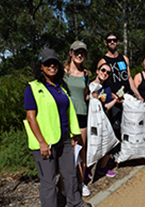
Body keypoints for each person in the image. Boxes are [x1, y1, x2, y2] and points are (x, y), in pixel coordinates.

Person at [24, 49, 93, 207]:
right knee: (48, 182)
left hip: (64, 140)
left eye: (54, 62)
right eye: (47, 63)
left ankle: (75, 203)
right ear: (41, 66)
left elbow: (68, 113)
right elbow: (30, 117)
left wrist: (74, 136)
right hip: (45, 144)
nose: (52, 65)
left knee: (70, 175)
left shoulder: (60, 88)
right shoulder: (33, 88)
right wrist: (41, 142)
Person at [97, 32, 143, 138]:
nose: (112, 42)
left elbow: (129, 78)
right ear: (106, 43)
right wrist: (109, 95)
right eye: (109, 41)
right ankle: (117, 151)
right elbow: (100, 82)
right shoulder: (103, 61)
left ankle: (128, 150)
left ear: (118, 42)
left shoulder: (124, 59)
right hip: (113, 99)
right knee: (116, 127)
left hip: (127, 98)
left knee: (129, 125)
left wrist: (138, 95)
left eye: (114, 40)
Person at [63, 41, 91, 196]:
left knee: (81, 150)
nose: (80, 55)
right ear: (71, 53)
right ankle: (65, 185)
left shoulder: (86, 74)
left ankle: (81, 183)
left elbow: (85, 95)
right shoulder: (63, 72)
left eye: (83, 53)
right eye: (76, 52)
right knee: (66, 152)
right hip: (66, 116)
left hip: (81, 116)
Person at [90, 63, 120, 177]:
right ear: (97, 71)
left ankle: (102, 168)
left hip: (102, 118)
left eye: (108, 72)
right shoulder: (89, 85)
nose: (105, 73)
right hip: (91, 120)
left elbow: (105, 107)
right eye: (103, 70)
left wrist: (115, 100)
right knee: (92, 146)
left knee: (111, 143)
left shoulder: (107, 88)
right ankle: (87, 171)